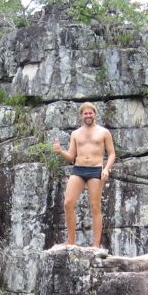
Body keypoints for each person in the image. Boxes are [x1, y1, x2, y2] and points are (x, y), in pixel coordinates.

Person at [52, 102, 116, 248]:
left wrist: (106, 169)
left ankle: (95, 245)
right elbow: (71, 157)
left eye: (90, 113)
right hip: (79, 169)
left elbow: (112, 154)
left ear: (95, 114)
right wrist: (60, 151)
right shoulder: (75, 133)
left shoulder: (104, 132)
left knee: (95, 207)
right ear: (81, 116)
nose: (88, 115)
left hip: (96, 170)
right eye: (85, 113)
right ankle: (70, 241)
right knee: (68, 203)